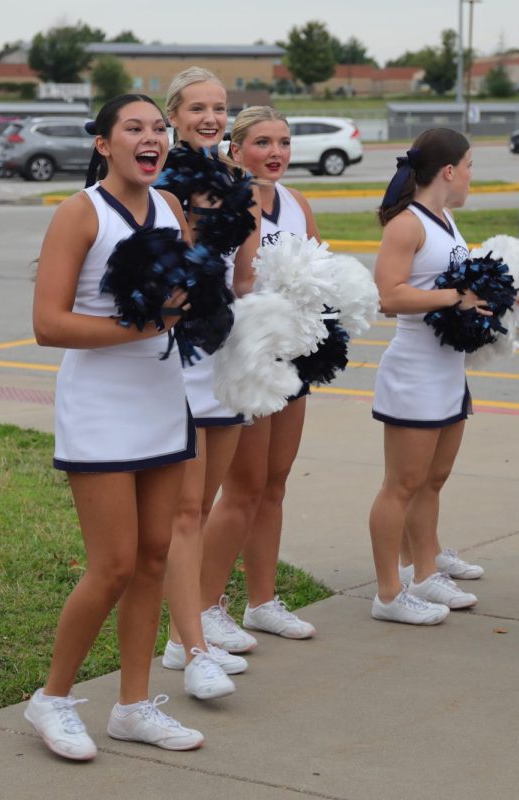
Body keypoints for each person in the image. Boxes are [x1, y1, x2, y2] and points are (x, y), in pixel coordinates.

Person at [27, 94, 204, 759]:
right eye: (135, 127)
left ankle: (132, 705)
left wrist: (194, 299)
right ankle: (51, 698)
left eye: (159, 128)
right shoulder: (79, 214)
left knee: (156, 555)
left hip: (162, 397)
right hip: (100, 405)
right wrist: (143, 323)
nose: (151, 136)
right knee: (113, 565)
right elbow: (48, 324)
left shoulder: (170, 208)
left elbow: (184, 293)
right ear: (104, 143)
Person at [198, 106, 322, 645]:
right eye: (262, 142)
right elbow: (226, 282)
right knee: (243, 489)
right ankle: (204, 607)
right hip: (245, 355)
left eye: (284, 142)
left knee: (275, 482)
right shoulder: (229, 201)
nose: (275, 153)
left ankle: (263, 601)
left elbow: (322, 269)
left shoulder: (297, 202)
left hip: (289, 354)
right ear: (235, 148)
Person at [156, 68, 259, 687]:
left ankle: (182, 635)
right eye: (197, 107)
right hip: (178, 350)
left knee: (207, 501)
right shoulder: (163, 178)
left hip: (223, 350)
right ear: (174, 113)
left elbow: (240, 278)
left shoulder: (234, 180)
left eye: (219, 107)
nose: (211, 117)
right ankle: (189, 645)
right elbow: (170, 264)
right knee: (186, 509)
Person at [366, 129, 489, 625]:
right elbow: (390, 297)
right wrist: (454, 298)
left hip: (448, 372)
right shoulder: (406, 225)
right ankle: (388, 594)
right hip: (414, 372)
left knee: (432, 482)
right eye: (470, 165)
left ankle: (424, 572)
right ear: (449, 171)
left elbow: (457, 283)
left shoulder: (446, 220)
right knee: (402, 485)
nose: (471, 175)